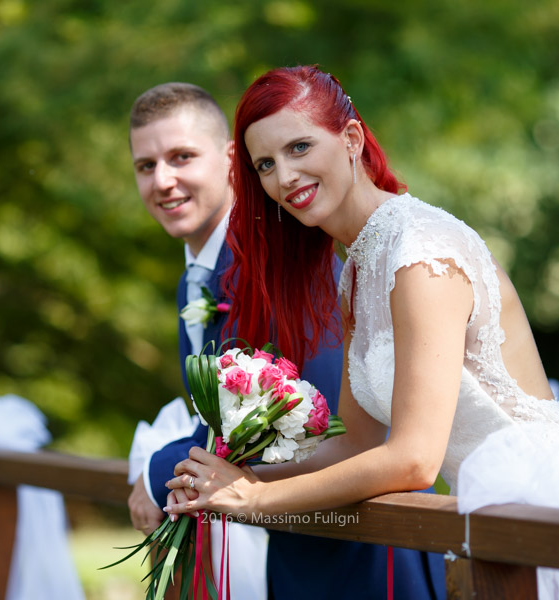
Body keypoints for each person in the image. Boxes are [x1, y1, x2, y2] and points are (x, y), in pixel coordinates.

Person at [164, 66, 559, 600]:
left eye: (299, 147)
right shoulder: (357, 273)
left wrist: (255, 501)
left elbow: (413, 459)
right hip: (495, 521)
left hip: (558, 509)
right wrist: (229, 477)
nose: (284, 176)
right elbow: (353, 447)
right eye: (265, 164)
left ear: (352, 138)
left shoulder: (419, 249)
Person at [126, 82, 445, 599]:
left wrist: (156, 468)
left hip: (364, 550)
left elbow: (319, 423)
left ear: (231, 162)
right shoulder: (194, 279)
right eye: (146, 165)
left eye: (181, 157)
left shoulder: (282, 260)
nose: (164, 180)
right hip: (294, 543)